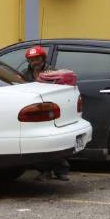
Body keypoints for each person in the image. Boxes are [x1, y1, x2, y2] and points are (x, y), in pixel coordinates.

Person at [21, 45, 70, 181]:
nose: (34, 63)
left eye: (36, 59)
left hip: (51, 112)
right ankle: (45, 170)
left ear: (42, 59)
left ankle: (61, 170)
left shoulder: (52, 72)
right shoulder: (25, 74)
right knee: (37, 143)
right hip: (35, 113)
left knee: (56, 141)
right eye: (31, 60)